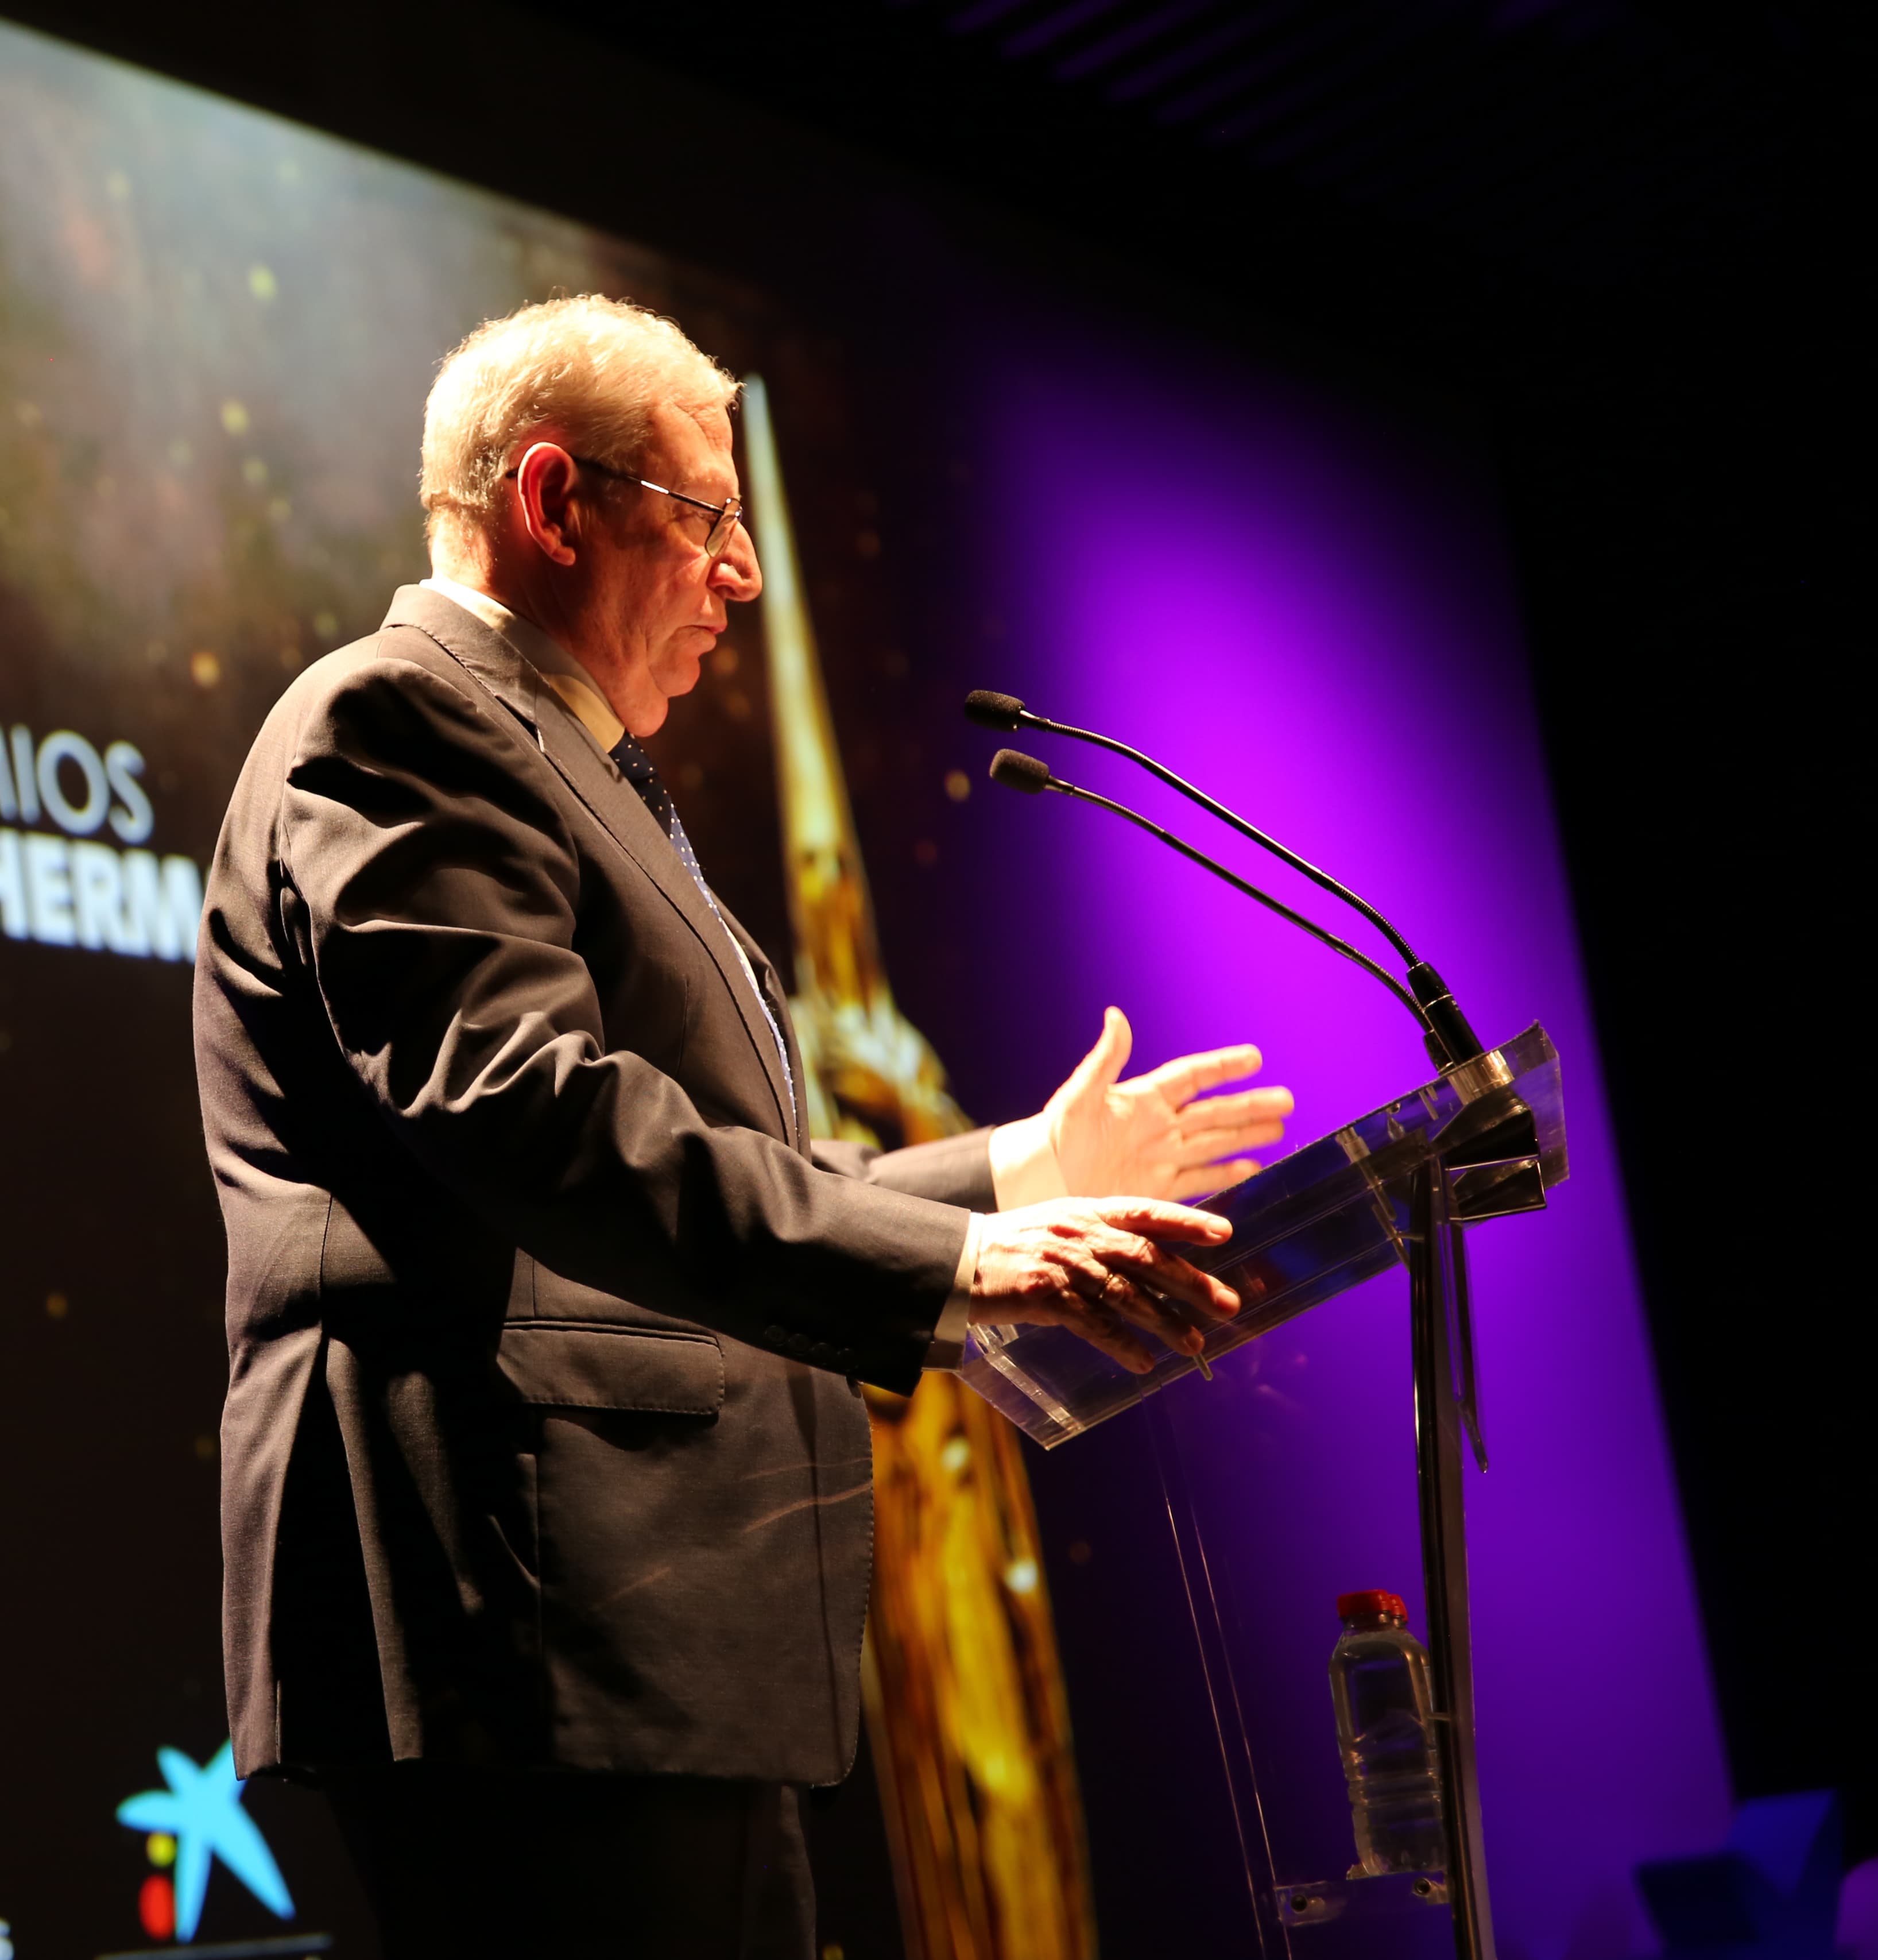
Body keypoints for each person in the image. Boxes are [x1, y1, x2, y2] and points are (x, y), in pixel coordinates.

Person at [190, 295, 1291, 1958]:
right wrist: (972, 1262)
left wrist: (1010, 1173)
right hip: (524, 1624)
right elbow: (537, 1119)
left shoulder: (578, 770)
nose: (745, 578)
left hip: (636, 1643)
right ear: (552, 501)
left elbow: (716, 1162)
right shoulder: (398, 725)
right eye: (708, 518)